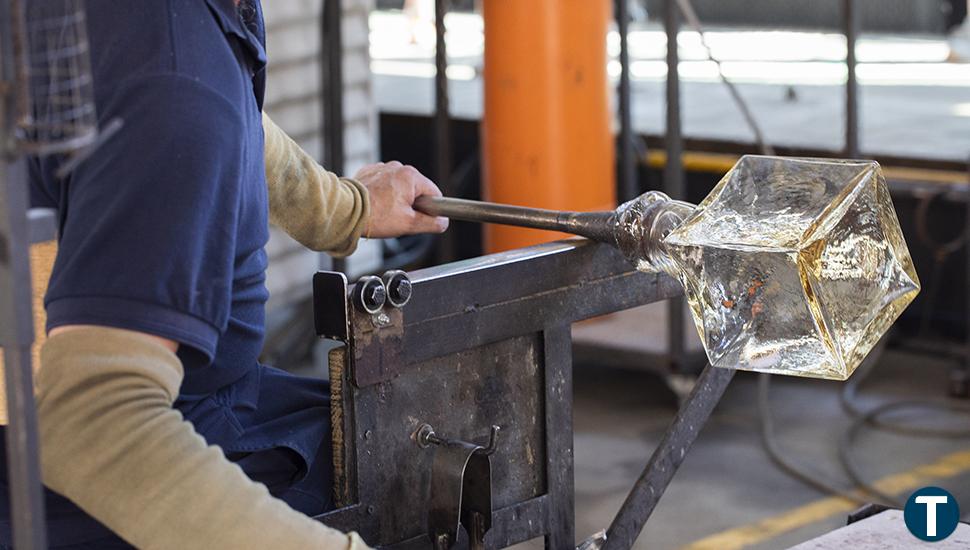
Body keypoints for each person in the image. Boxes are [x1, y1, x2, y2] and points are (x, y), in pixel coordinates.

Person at [0, 0, 447, 548]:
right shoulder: (172, 67)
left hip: (165, 402)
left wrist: (346, 207)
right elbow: (95, 424)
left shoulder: (159, 44)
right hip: (86, 460)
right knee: (410, 483)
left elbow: (218, 115)